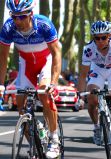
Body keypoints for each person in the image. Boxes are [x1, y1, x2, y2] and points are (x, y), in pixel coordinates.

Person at [0, 0, 61, 158]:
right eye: (14, 17)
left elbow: (56, 54)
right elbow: (3, 57)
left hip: (45, 62)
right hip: (26, 63)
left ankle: (54, 140)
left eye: (22, 17)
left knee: (43, 93)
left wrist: (53, 83)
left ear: (31, 14)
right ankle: (34, 145)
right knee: (21, 105)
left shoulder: (44, 24)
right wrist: (0, 84)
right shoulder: (8, 27)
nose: (17, 21)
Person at [77, 21, 111, 156]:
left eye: (103, 37)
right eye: (96, 38)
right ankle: (97, 127)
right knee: (92, 98)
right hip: (97, 70)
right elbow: (83, 75)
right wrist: (80, 96)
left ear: (109, 36)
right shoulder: (88, 49)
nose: (100, 41)